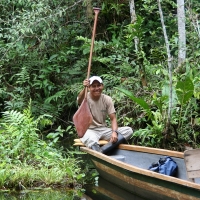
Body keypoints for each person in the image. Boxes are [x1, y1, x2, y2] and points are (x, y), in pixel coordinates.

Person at [77, 75, 133, 153]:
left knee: (128, 130)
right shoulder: (85, 98)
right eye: (93, 86)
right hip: (89, 130)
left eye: (99, 85)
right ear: (89, 88)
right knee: (91, 139)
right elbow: (79, 100)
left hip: (103, 130)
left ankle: (103, 150)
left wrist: (114, 132)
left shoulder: (107, 99)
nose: (97, 88)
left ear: (102, 86)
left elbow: (113, 118)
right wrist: (84, 88)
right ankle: (101, 150)